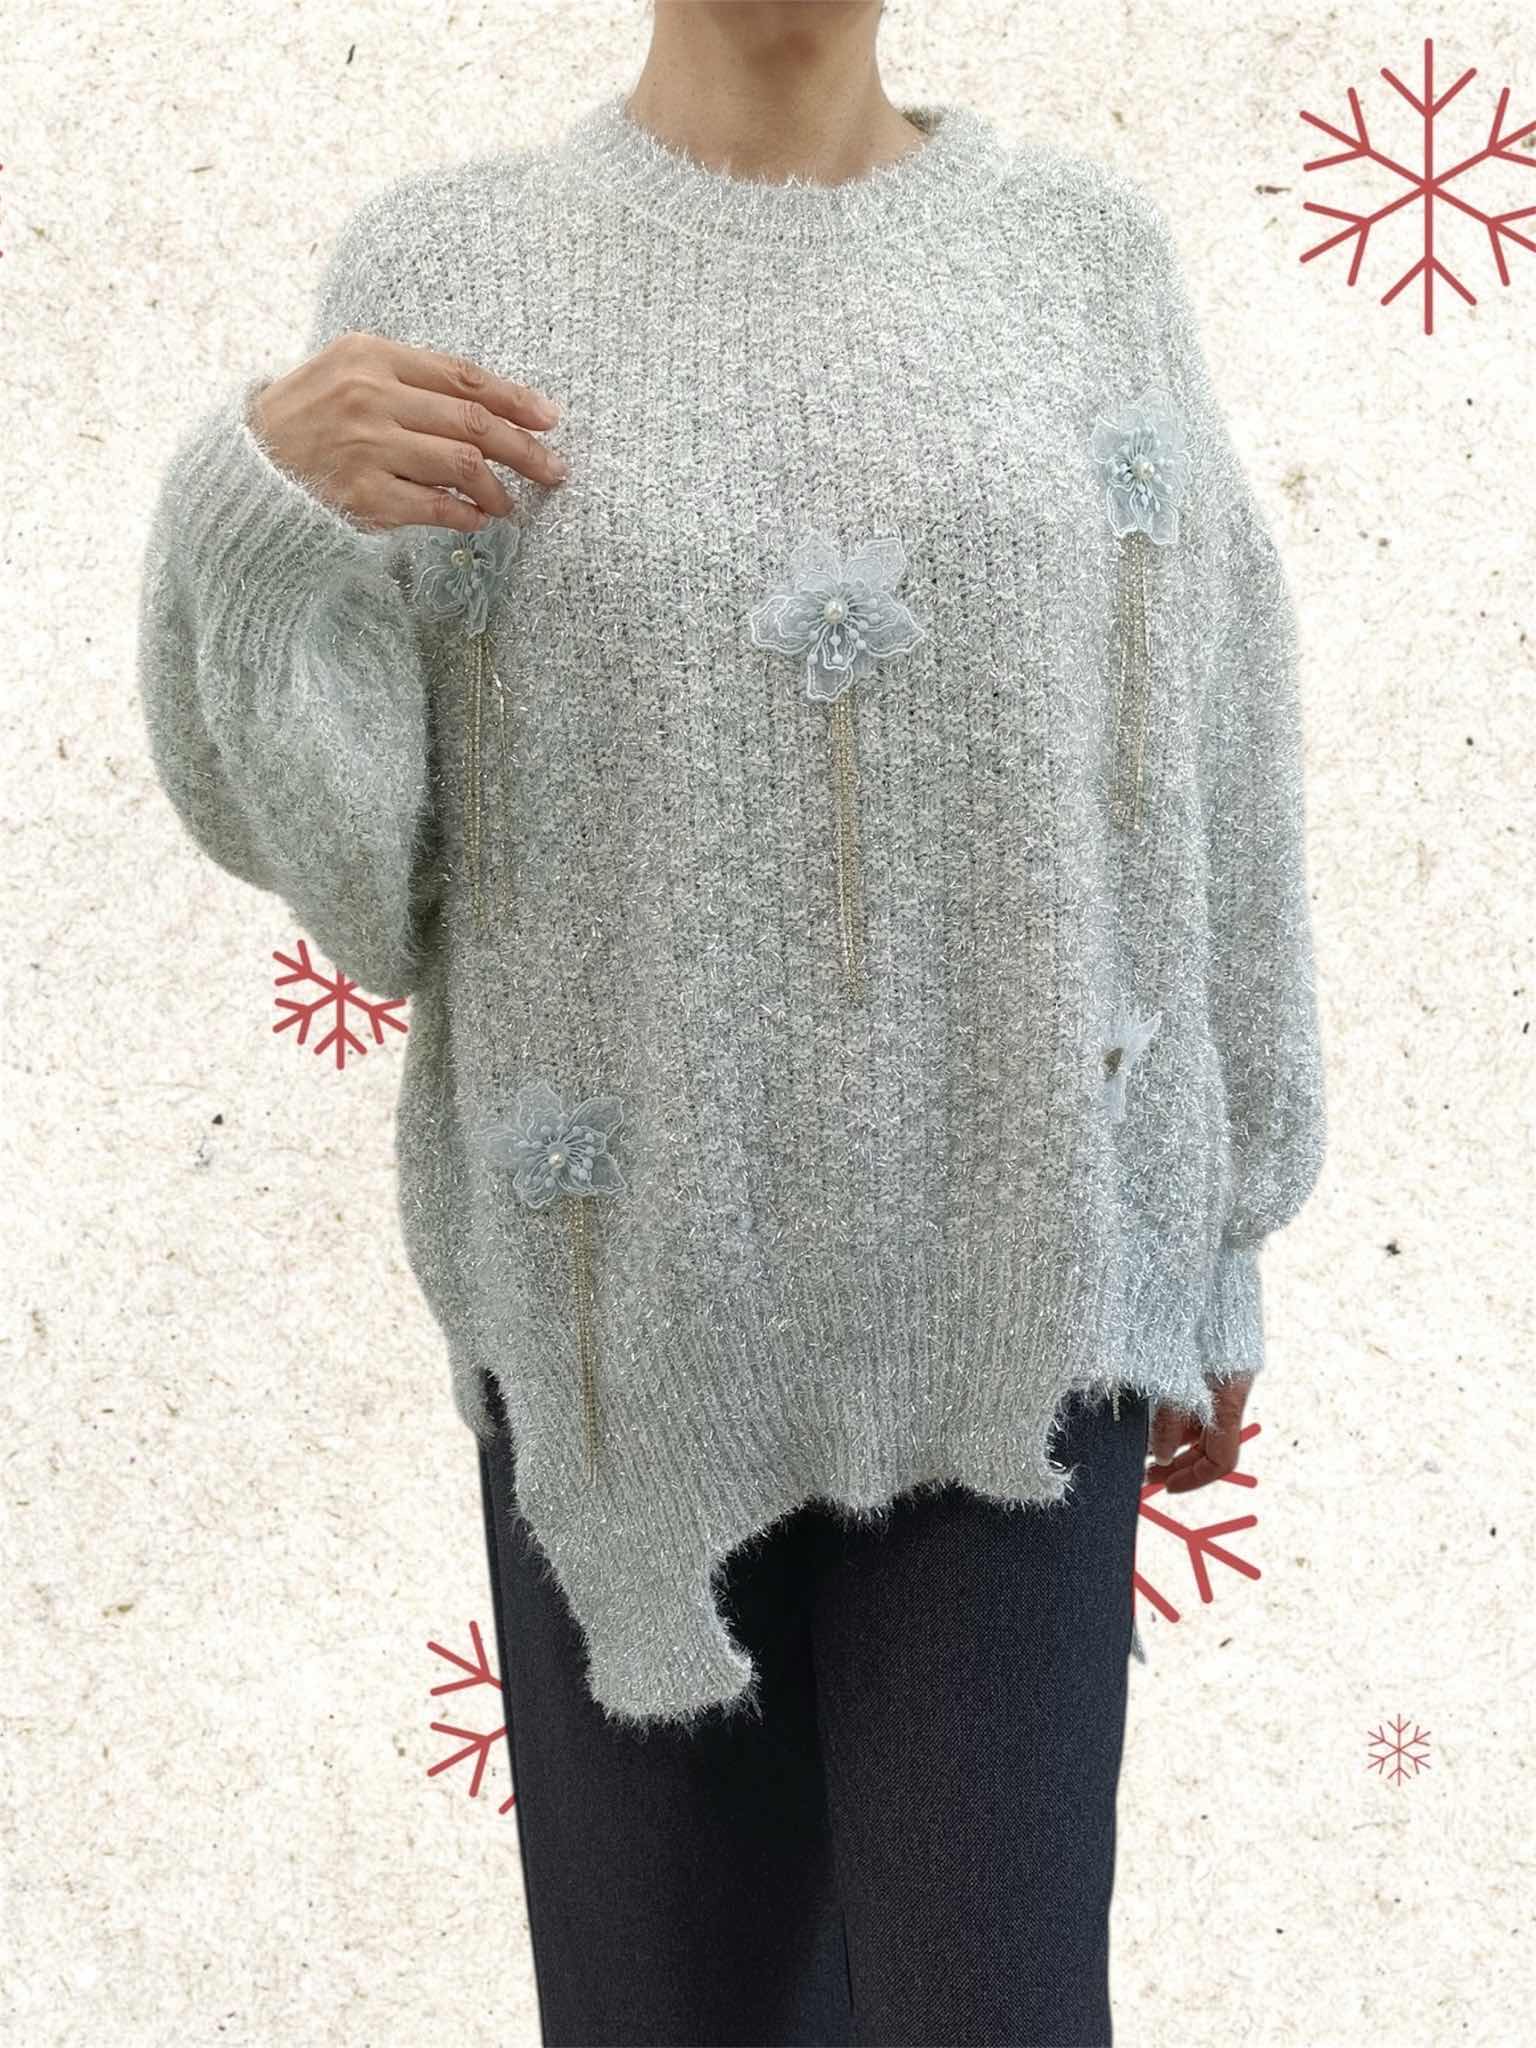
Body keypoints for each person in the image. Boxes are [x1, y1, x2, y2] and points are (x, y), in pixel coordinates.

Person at [136, 2, 1328, 2042]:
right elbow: (370, 884)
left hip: (1021, 1306)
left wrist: (1220, 1238)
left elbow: (1206, 738)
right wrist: (249, 520)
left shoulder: (1080, 258)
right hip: (616, 1343)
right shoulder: (445, 270)